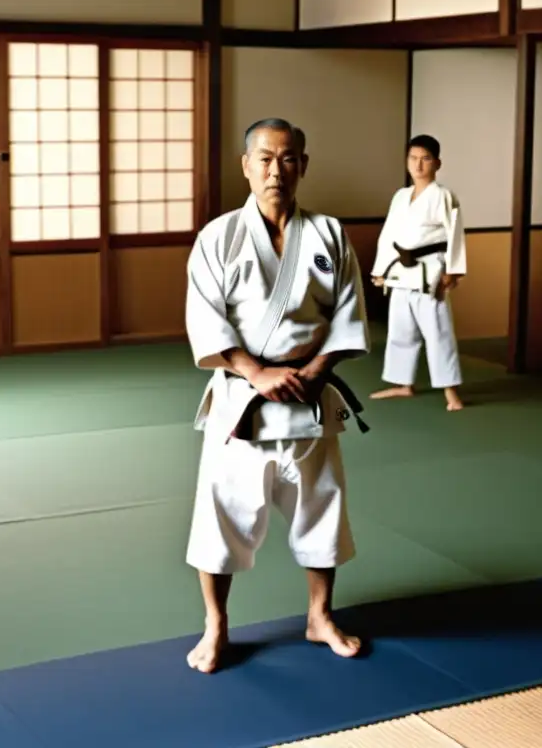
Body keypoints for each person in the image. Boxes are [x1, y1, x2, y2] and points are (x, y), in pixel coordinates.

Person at [183, 117, 371, 674]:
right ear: (246, 165)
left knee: (323, 511)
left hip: (310, 400)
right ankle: (216, 626)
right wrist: (254, 372)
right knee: (220, 516)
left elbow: (350, 312)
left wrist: (316, 367)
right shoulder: (218, 237)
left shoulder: (330, 234)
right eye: (264, 158)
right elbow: (204, 318)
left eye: (288, 159)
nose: (275, 170)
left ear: (303, 166)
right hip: (244, 402)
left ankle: (320, 616)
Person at [369, 135, 467, 411]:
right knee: (401, 329)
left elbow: (455, 233)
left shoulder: (443, 195)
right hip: (401, 271)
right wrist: (382, 270)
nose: (418, 164)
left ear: (437, 163)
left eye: (425, 158)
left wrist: (453, 270)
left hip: (431, 270)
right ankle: (403, 384)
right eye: (413, 158)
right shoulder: (400, 196)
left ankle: (451, 393)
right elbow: (389, 234)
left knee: (438, 331)